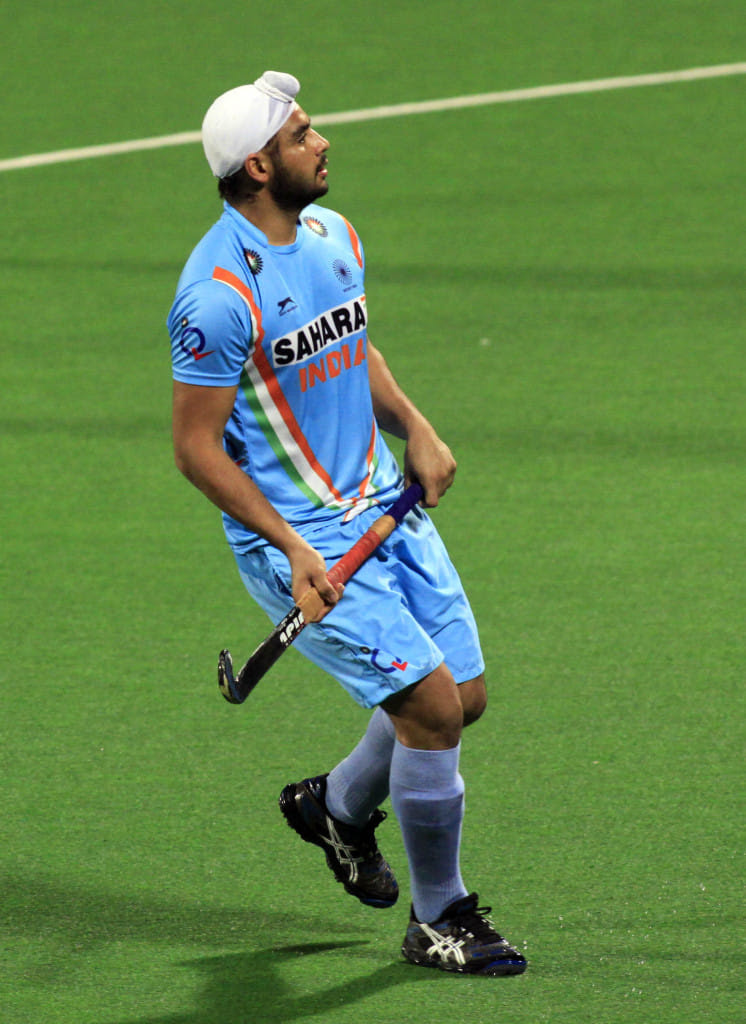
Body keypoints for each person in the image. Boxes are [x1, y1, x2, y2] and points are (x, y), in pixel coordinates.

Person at [167, 70, 526, 977]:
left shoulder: (333, 235)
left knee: (462, 698)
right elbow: (196, 450)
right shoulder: (217, 296)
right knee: (430, 707)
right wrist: (290, 548)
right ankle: (439, 918)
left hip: (382, 507)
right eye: (301, 135)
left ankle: (334, 807)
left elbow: (352, 344)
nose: (321, 142)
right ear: (258, 166)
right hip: (301, 541)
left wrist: (417, 427)